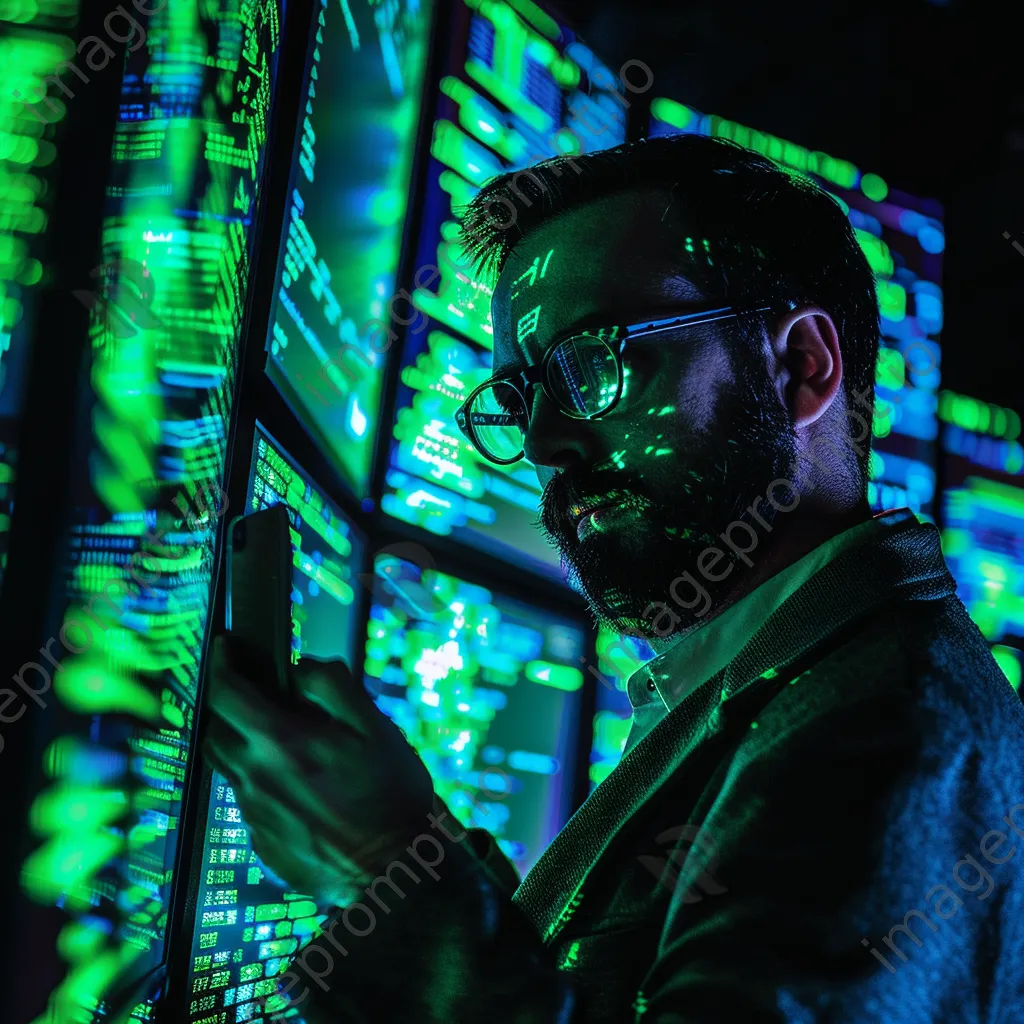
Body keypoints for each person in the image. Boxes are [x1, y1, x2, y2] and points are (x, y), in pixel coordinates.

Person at [204, 134, 1024, 1022]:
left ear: (801, 367)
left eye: (594, 362)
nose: (544, 444)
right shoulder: (769, 675)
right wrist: (419, 858)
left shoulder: (888, 728)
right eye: (521, 397)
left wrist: (383, 871)